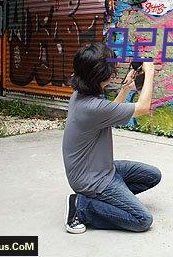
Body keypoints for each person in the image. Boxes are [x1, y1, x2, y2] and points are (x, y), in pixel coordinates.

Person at [62, 42, 160, 234]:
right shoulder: (91, 107)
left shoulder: (81, 95)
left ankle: (111, 198)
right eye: (110, 70)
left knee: (152, 176)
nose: (113, 72)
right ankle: (82, 207)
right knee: (142, 220)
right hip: (91, 180)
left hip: (102, 168)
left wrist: (125, 87)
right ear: (100, 77)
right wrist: (150, 73)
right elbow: (142, 107)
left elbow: (108, 113)